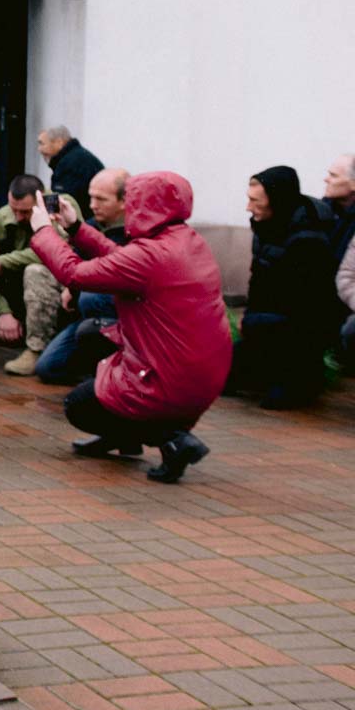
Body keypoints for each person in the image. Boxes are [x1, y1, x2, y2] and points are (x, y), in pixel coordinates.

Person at [29, 172, 230, 483]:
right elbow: (123, 259)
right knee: (90, 335)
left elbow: (75, 273)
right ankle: (126, 436)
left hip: (169, 378)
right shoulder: (186, 240)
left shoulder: (150, 254)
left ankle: (172, 440)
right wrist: (76, 228)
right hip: (203, 372)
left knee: (77, 406)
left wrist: (44, 230)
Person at [227, 166, 341, 409]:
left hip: (302, 330)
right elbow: (257, 281)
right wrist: (248, 317)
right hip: (269, 321)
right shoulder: (265, 227)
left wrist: (255, 322)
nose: (248, 207)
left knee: (278, 400)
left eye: (255, 201)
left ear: (276, 200)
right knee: (224, 380)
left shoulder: (309, 240)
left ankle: (306, 377)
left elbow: (309, 308)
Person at [0, 174, 69, 374]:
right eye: (15, 209)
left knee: (34, 271)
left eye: (25, 212)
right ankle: (10, 334)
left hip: (53, 284)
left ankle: (37, 347)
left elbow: (52, 251)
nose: (18, 217)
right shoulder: (3, 217)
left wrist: (5, 261)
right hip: (16, 288)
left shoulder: (56, 206)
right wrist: (4, 311)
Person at [35, 168, 130, 385]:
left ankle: (112, 373)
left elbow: (89, 272)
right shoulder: (91, 223)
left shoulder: (137, 233)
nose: (92, 205)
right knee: (47, 368)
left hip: (123, 314)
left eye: (101, 199)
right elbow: (77, 259)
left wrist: (43, 231)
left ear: (124, 201)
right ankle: (97, 374)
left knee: (91, 295)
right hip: (88, 317)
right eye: (91, 197)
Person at [37, 126, 105, 218]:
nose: (39, 149)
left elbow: (62, 201)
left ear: (59, 142)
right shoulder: (78, 156)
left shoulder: (69, 164)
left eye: (42, 144)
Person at [327, 155, 355, 361]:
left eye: (333, 175)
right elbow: (345, 275)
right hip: (331, 297)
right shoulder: (321, 213)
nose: (326, 179)